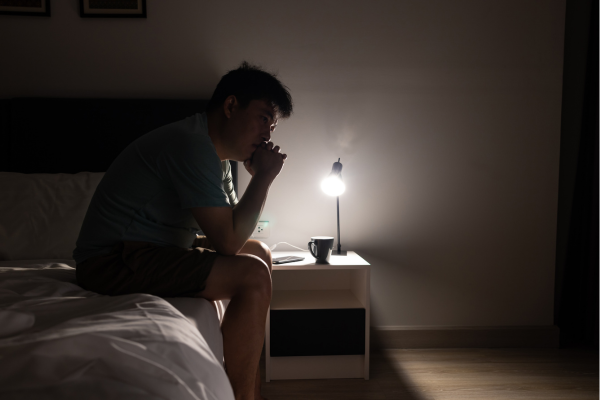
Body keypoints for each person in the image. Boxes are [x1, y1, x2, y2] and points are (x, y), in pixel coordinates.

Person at [73, 61, 293, 400]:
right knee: (252, 274)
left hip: (151, 248)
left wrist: (254, 177)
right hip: (113, 259)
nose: (267, 135)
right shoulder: (191, 146)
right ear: (231, 106)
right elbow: (229, 242)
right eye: (264, 119)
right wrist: (263, 178)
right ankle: (245, 397)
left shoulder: (215, 158)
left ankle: (245, 387)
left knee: (259, 253)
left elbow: (232, 230)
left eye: (272, 127)